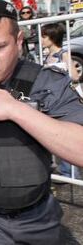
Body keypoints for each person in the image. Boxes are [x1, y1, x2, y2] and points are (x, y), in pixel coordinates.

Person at [0, 0, 83, 245]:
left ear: (19, 41)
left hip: (38, 218)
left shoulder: (46, 83)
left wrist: (16, 110)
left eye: (0, 46)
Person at [41, 23, 82, 179]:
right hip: (51, 100)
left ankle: (71, 173)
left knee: (67, 135)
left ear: (52, 37)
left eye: (44, 36)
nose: (42, 39)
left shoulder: (63, 54)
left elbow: (75, 76)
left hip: (64, 101)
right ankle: (65, 171)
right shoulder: (47, 56)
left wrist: (60, 76)